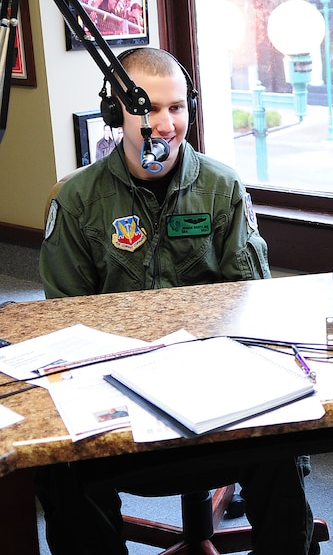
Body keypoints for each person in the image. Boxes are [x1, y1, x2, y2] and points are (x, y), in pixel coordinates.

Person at [39, 47, 313, 554]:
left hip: (215, 387)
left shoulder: (221, 187)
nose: (166, 124)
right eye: (149, 108)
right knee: (63, 467)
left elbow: (256, 300)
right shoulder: (75, 200)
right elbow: (64, 324)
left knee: (283, 440)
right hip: (117, 391)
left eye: (178, 108)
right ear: (114, 113)